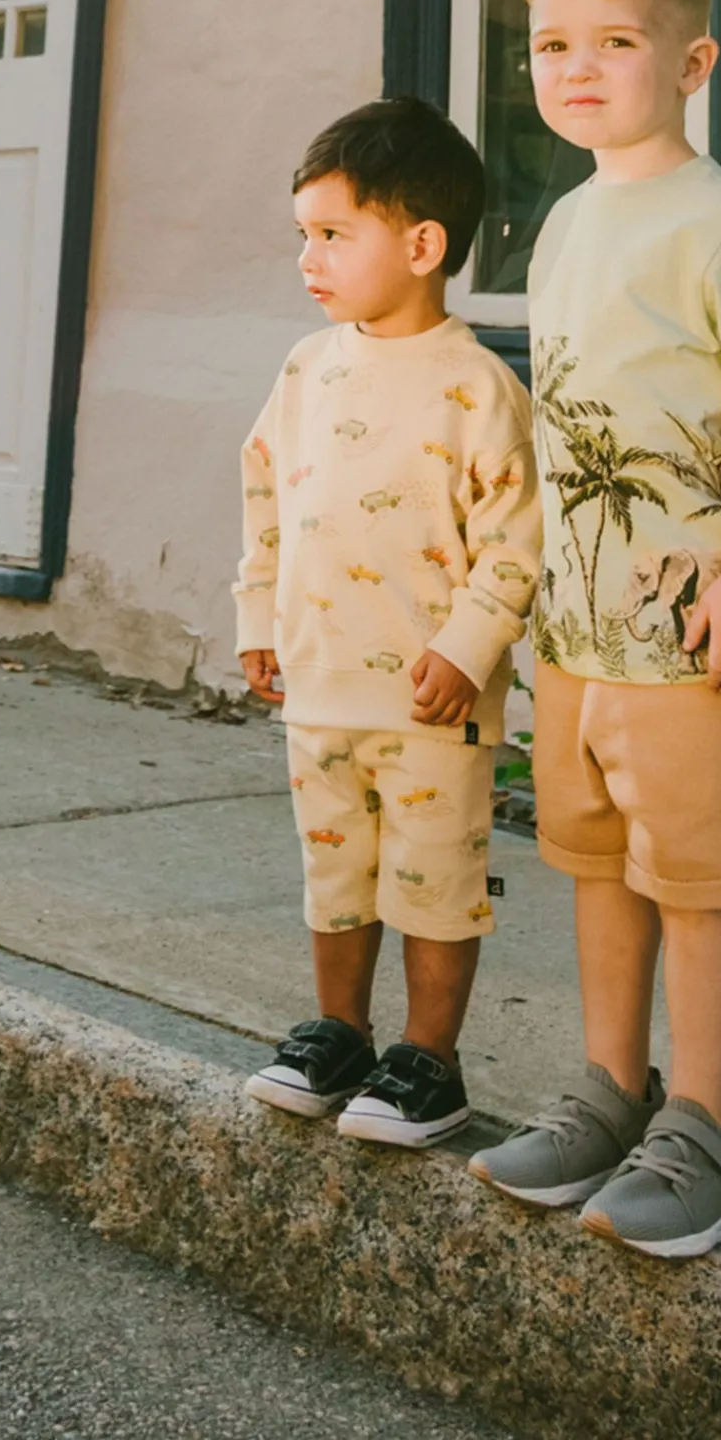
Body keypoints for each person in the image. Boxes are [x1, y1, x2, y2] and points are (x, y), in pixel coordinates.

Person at [467, 0, 721, 1257]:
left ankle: (705, 1130)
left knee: (694, 879)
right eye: (551, 45)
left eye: (614, 42)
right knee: (596, 866)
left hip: (692, 630)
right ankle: (609, 1091)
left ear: (693, 63)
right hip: (580, 631)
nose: (575, 68)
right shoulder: (567, 221)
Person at [234, 97, 540, 1148]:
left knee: (434, 879)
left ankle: (429, 1061)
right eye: (304, 234)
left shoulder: (478, 388)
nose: (308, 259)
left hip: (429, 699)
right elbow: (266, 495)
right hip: (320, 684)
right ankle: (340, 1034)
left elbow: (516, 540)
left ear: (421, 246)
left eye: (334, 234)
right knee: (337, 871)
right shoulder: (306, 369)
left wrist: (467, 649)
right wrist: (258, 615)